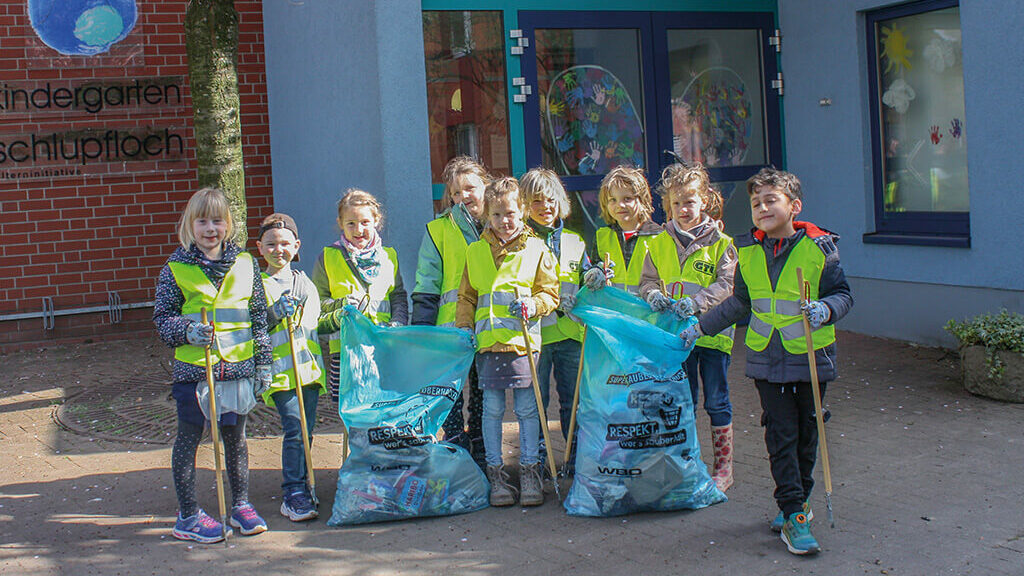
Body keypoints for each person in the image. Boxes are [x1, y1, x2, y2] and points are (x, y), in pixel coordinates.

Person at [686, 168, 853, 555]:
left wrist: (826, 309)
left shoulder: (820, 248)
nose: (762, 208)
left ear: (794, 206)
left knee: (807, 435)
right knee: (781, 435)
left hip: (811, 357)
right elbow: (740, 303)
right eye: (756, 203)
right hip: (767, 358)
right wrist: (700, 327)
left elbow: (843, 294)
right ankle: (793, 513)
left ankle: (800, 500)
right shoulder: (746, 251)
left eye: (770, 201)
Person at [153, 187, 271, 543]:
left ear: (228, 224)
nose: (210, 228)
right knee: (189, 440)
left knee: (236, 440)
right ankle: (187, 515)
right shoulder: (175, 269)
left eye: (217, 221)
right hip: (195, 374)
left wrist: (262, 366)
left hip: (237, 371)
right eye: (202, 221)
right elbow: (162, 319)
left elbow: (259, 319)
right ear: (190, 225)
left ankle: (241, 505)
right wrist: (188, 331)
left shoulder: (247, 264)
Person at [456, 176, 559, 507]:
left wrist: (534, 304)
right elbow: (466, 297)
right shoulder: (475, 251)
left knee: (529, 409)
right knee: (492, 409)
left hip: (523, 344)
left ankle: (530, 471)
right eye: (497, 214)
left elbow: (550, 292)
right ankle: (496, 475)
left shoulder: (537, 249)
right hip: (488, 346)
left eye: (511, 213)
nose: (504, 221)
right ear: (488, 214)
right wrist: (463, 327)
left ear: (523, 212)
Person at [638, 162, 738, 491]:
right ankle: (688, 461)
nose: (684, 209)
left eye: (690, 202)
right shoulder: (658, 242)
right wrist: (652, 295)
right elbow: (648, 281)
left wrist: (697, 304)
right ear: (668, 205)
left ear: (705, 201)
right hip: (676, 338)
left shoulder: (722, 243)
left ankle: (724, 468)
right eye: (677, 203)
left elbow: (728, 284)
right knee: (683, 400)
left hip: (711, 336)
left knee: (717, 401)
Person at [412, 157, 488, 464]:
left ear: (486, 186)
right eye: (457, 193)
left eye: (471, 188)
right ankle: (457, 449)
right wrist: (422, 332)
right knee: (451, 395)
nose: (464, 197)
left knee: (485, 394)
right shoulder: (438, 230)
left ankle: (484, 447)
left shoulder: (500, 222)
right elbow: (427, 282)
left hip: (488, 326)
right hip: (450, 330)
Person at [255, 213, 326, 522]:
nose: (278, 249)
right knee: (295, 429)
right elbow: (252, 326)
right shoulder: (257, 285)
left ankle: (306, 482)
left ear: (296, 246)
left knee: (306, 432)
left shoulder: (305, 282)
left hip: (308, 372)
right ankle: (292, 491)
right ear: (260, 248)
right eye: (271, 244)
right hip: (281, 373)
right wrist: (273, 313)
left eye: (285, 244)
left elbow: (316, 323)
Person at [520, 168, 589, 465]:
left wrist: (596, 277)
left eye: (550, 200)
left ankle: (576, 459)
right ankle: (535, 461)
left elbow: (585, 280)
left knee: (573, 404)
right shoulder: (518, 241)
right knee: (535, 404)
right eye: (536, 202)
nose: (545, 207)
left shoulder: (575, 240)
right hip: (534, 336)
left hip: (571, 335)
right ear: (524, 204)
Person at [313, 189, 409, 400]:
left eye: (365, 222)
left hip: (382, 346)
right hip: (346, 351)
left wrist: (398, 322)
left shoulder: (388, 256)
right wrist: (341, 304)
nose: (359, 230)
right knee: (349, 406)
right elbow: (317, 304)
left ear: (376, 220)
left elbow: (398, 296)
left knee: (383, 402)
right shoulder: (328, 257)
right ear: (340, 223)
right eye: (351, 223)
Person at [583, 165, 661, 294]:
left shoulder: (659, 236)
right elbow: (596, 269)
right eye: (612, 200)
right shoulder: (602, 236)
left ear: (642, 201)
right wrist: (597, 273)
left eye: (627, 199)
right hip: (614, 310)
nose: (620, 205)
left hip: (647, 311)